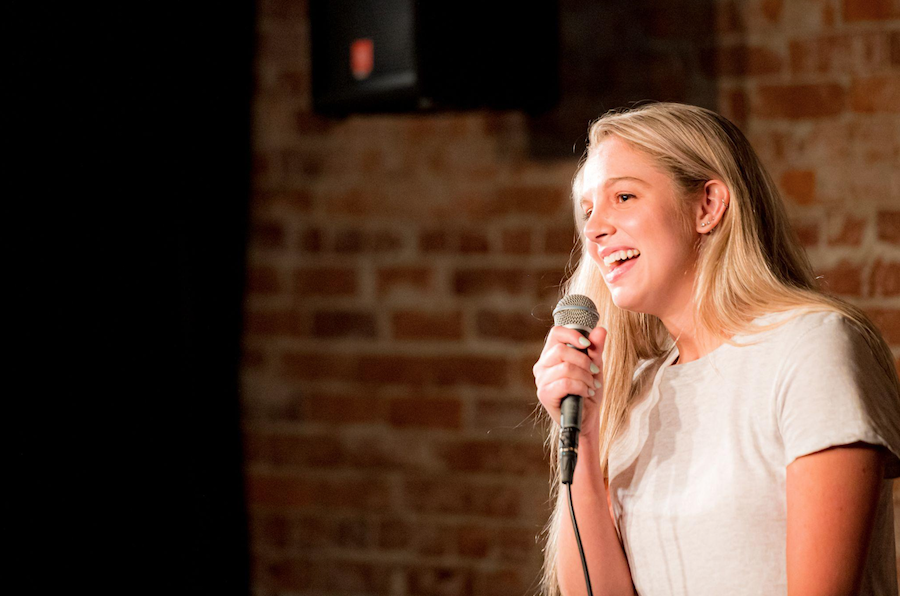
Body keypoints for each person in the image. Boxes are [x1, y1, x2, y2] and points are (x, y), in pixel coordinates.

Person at [532, 102, 900, 596]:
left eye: (623, 196)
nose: (596, 230)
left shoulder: (812, 348)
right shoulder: (635, 391)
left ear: (708, 205)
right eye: (589, 210)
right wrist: (584, 437)